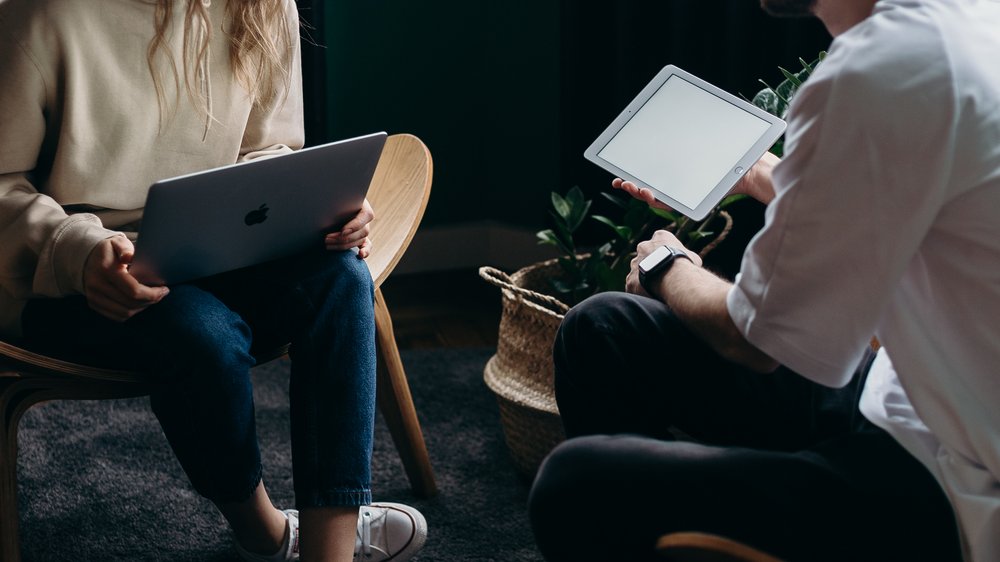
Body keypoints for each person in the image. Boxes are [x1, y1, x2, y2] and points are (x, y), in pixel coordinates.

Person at [529, 0, 1000, 560]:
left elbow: (752, 337)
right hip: (909, 400)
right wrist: (752, 172)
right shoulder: (962, 23)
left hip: (959, 488)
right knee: (603, 328)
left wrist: (663, 266)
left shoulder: (881, 66)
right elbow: (881, 203)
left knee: (576, 485)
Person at [0, 0, 427, 560]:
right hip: (72, 280)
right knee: (202, 334)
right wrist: (80, 254)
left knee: (340, 276)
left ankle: (331, 550)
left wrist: (323, 207)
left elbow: (267, 152)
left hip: (217, 246)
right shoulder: (42, 14)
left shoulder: (263, 7)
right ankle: (266, 533)